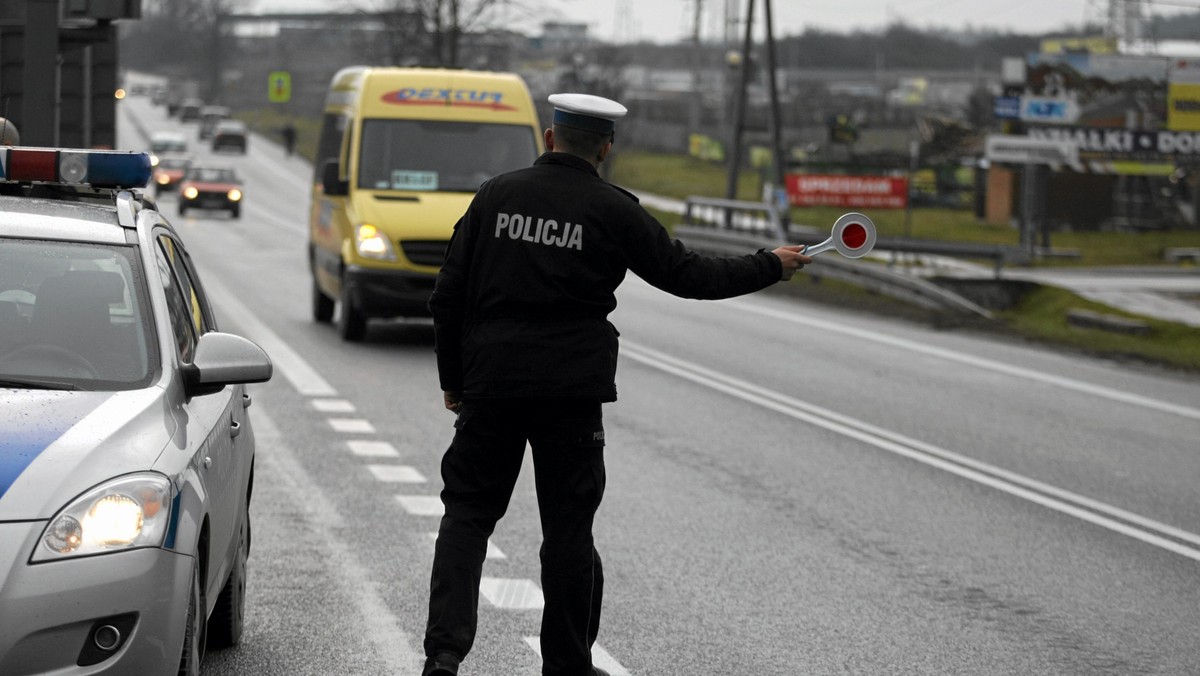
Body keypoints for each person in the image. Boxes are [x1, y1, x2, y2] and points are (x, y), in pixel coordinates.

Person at [422, 93, 811, 676]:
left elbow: (447, 294)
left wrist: (455, 378)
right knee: (569, 536)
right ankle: (568, 667)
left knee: (468, 518)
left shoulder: (495, 195)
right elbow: (687, 275)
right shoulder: (613, 209)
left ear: (550, 139)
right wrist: (769, 264)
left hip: (492, 386)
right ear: (606, 148)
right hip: (571, 397)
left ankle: (445, 657)